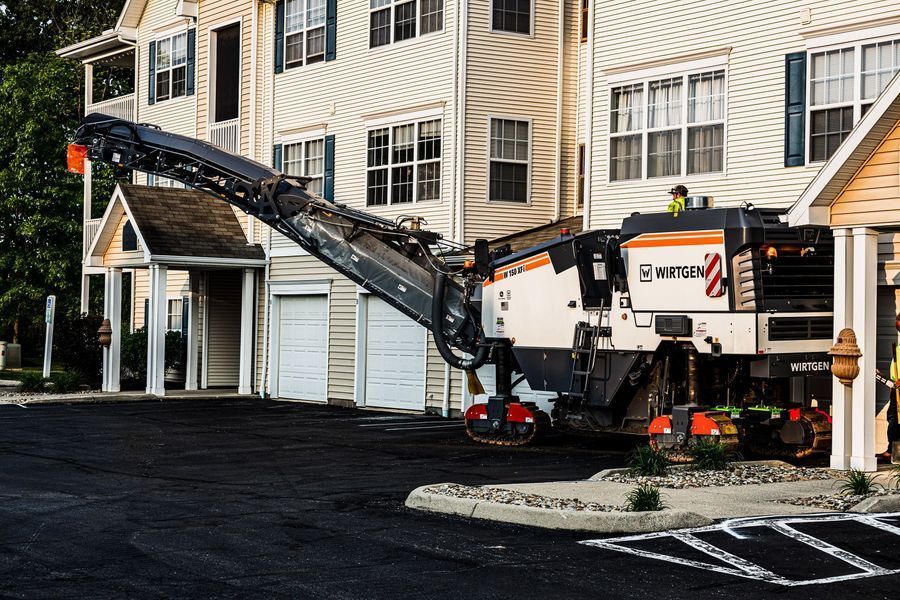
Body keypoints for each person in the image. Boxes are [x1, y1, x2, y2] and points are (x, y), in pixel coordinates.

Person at [881, 342, 900, 460]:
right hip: (895, 388)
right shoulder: (897, 348)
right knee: (893, 418)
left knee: (896, 418)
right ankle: (893, 451)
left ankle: (894, 452)